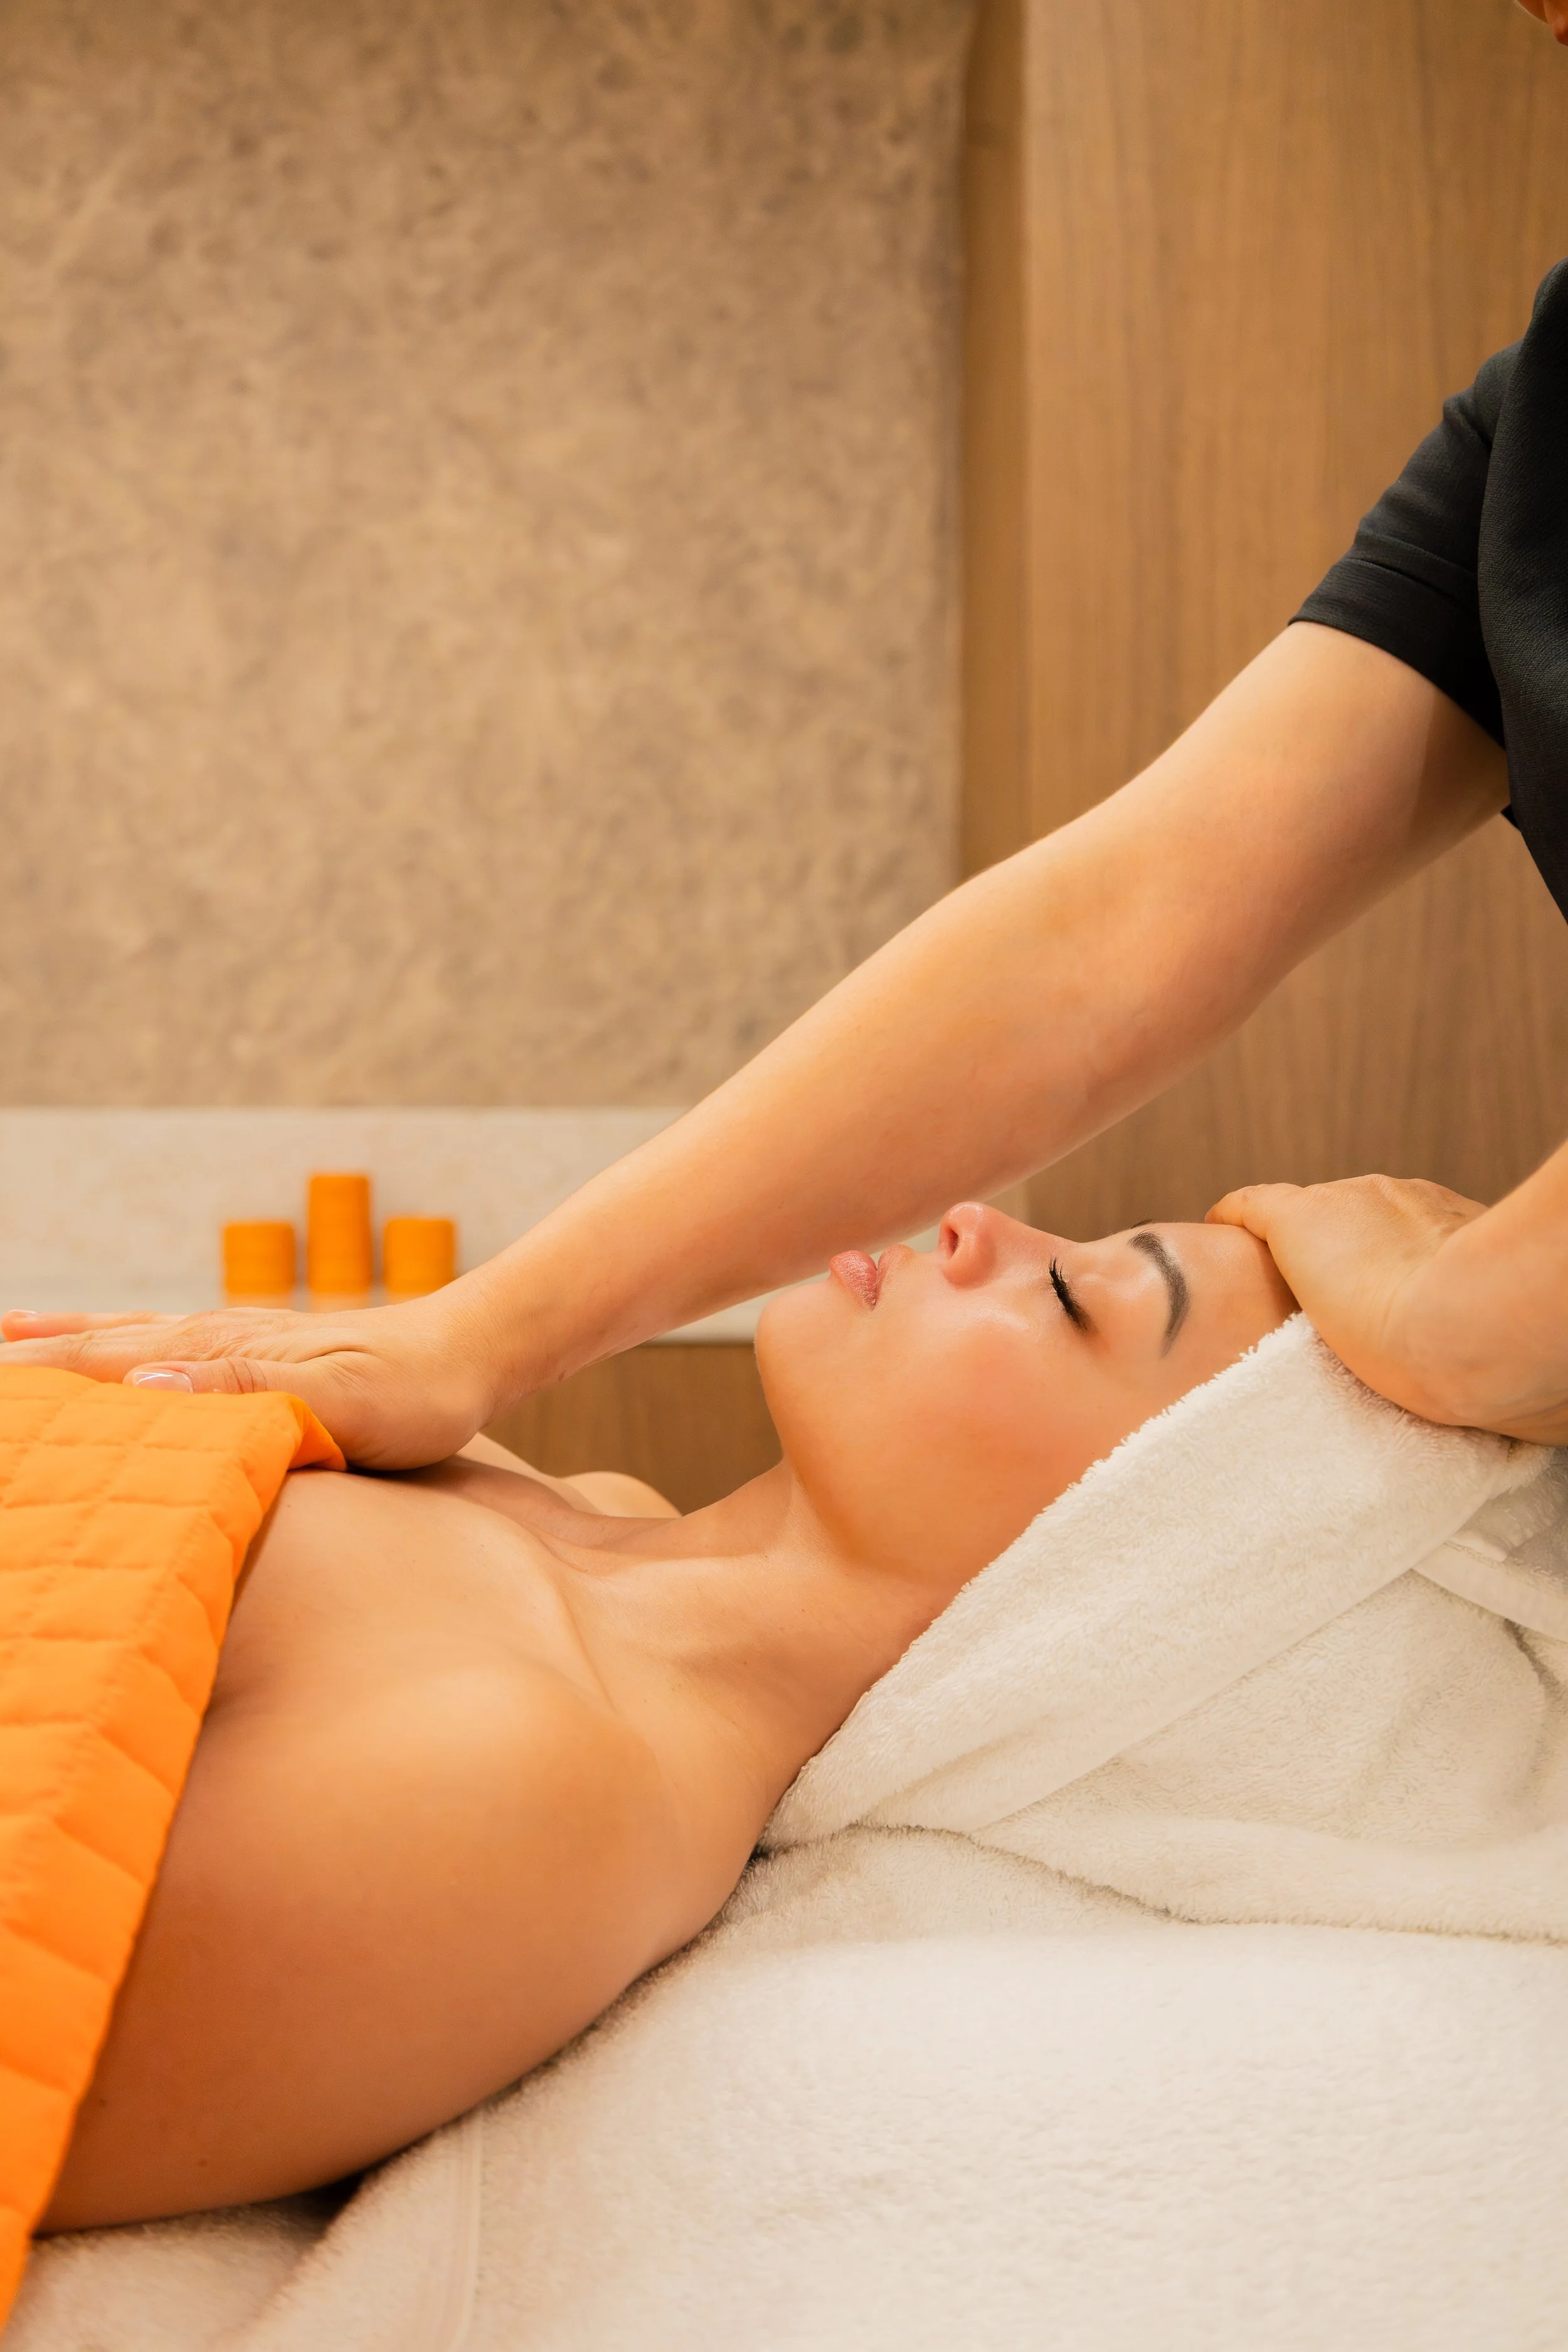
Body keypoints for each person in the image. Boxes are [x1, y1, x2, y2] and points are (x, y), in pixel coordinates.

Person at [5, 4, 1567, 1458]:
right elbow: (1116, 929)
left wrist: (1449, 1320)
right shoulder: (1539, 425)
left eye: (1101, 1291)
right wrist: (466, 1339)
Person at [43, 1207, 1293, 2232]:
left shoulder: (524, 1797)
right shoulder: (562, 1504)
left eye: (1075, 1301)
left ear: (1111, 1555)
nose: (977, 1224)